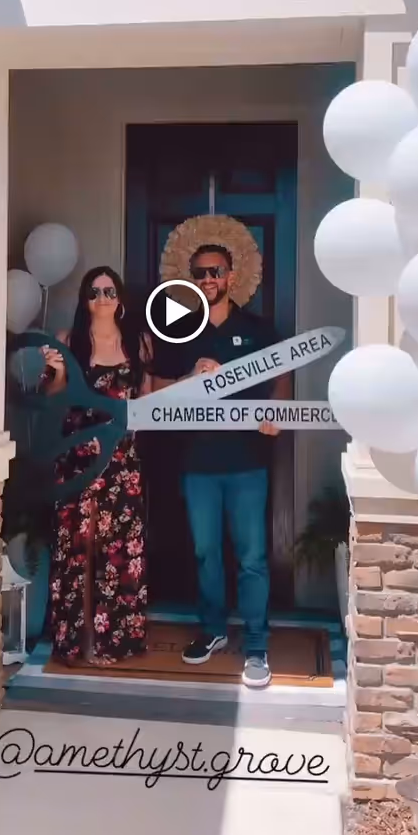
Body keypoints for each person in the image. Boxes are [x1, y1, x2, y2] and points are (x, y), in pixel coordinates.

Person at [153, 244, 291, 689]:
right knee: (205, 552)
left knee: (252, 557)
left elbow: (282, 375)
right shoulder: (179, 329)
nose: (208, 279)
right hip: (197, 462)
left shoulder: (258, 329)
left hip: (247, 461)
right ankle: (213, 630)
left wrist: (277, 411)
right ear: (191, 278)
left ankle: (256, 645)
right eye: (200, 272)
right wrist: (189, 378)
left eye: (216, 271)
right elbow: (156, 389)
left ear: (231, 276)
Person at [42, 266, 153, 667]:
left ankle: (114, 641)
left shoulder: (138, 342)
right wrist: (57, 372)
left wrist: (195, 377)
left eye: (109, 291)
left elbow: (147, 403)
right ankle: (79, 642)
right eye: (94, 292)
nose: (102, 298)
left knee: (118, 550)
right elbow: (53, 398)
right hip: (76, 459)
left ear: (119, 299)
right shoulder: (68, 341)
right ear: (84, 300)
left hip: (121, 462)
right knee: (78, 550)